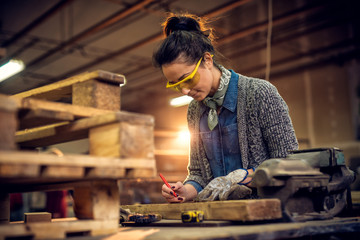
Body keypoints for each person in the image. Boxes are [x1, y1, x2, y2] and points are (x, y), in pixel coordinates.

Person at [153, 13, 298, 203]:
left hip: (265, 213)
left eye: (188, 79)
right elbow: (199, 174)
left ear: (207, 60)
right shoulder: (195, 111)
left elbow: (289, 164)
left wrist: (241, 177)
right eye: (176, 85)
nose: (185, 90)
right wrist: (185, 191)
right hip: (220, 216)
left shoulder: (260, 94)